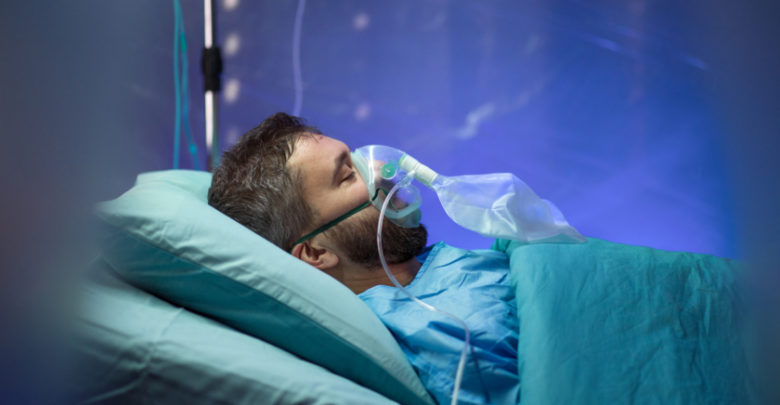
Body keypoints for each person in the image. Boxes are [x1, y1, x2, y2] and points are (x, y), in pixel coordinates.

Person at [209, 112, 520, 404]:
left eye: (357, 156)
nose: (379, 169)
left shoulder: (431, 269)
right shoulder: (434, 335)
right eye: (348, 174)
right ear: (316, 253)